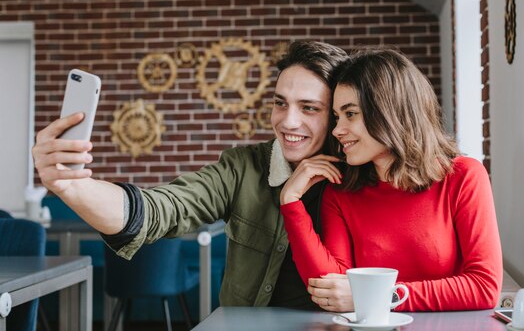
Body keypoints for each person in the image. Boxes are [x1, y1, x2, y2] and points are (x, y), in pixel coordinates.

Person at [31, 41, 350, 309]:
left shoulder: (362, 179)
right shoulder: (244, 167)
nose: (288, 121)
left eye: (309, 108)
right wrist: (71, 186)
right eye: (280, 103)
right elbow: (160, 209)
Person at [279, 48, 503, 312]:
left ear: (389, 111)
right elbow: (331, 290)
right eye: (337, 117)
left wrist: (379, 296)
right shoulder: (342, 192)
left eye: (351, 114)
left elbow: (483, 286)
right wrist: (290, 202)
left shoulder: (464, 177)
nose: (338, 130)